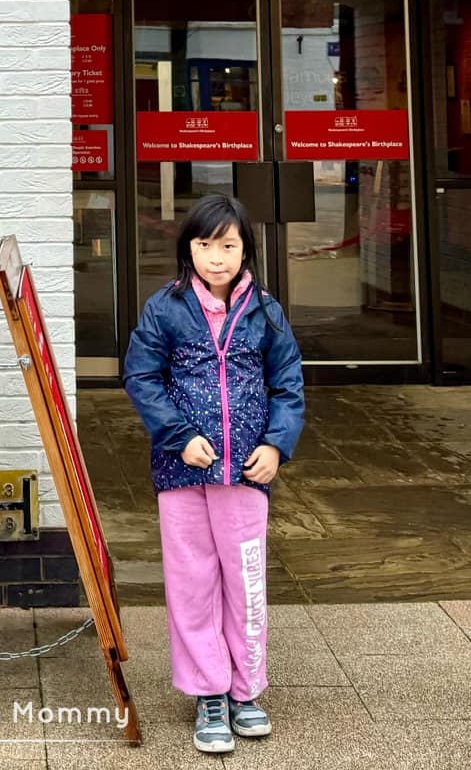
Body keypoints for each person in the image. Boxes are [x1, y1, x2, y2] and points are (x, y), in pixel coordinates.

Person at [122, 194, 305, 755]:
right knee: (192, 581)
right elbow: (141, 376)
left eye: (228, 245)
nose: (216, 257)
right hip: (181, 470)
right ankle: (209, 691)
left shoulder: (266, 311)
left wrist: (276, 445)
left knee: (245, 582)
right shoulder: (165, 307)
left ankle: (245, 691)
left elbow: (288, 383)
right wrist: (178, 437)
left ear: (246, 249)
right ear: (189, 249)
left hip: (246, 471)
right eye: (205, 245)